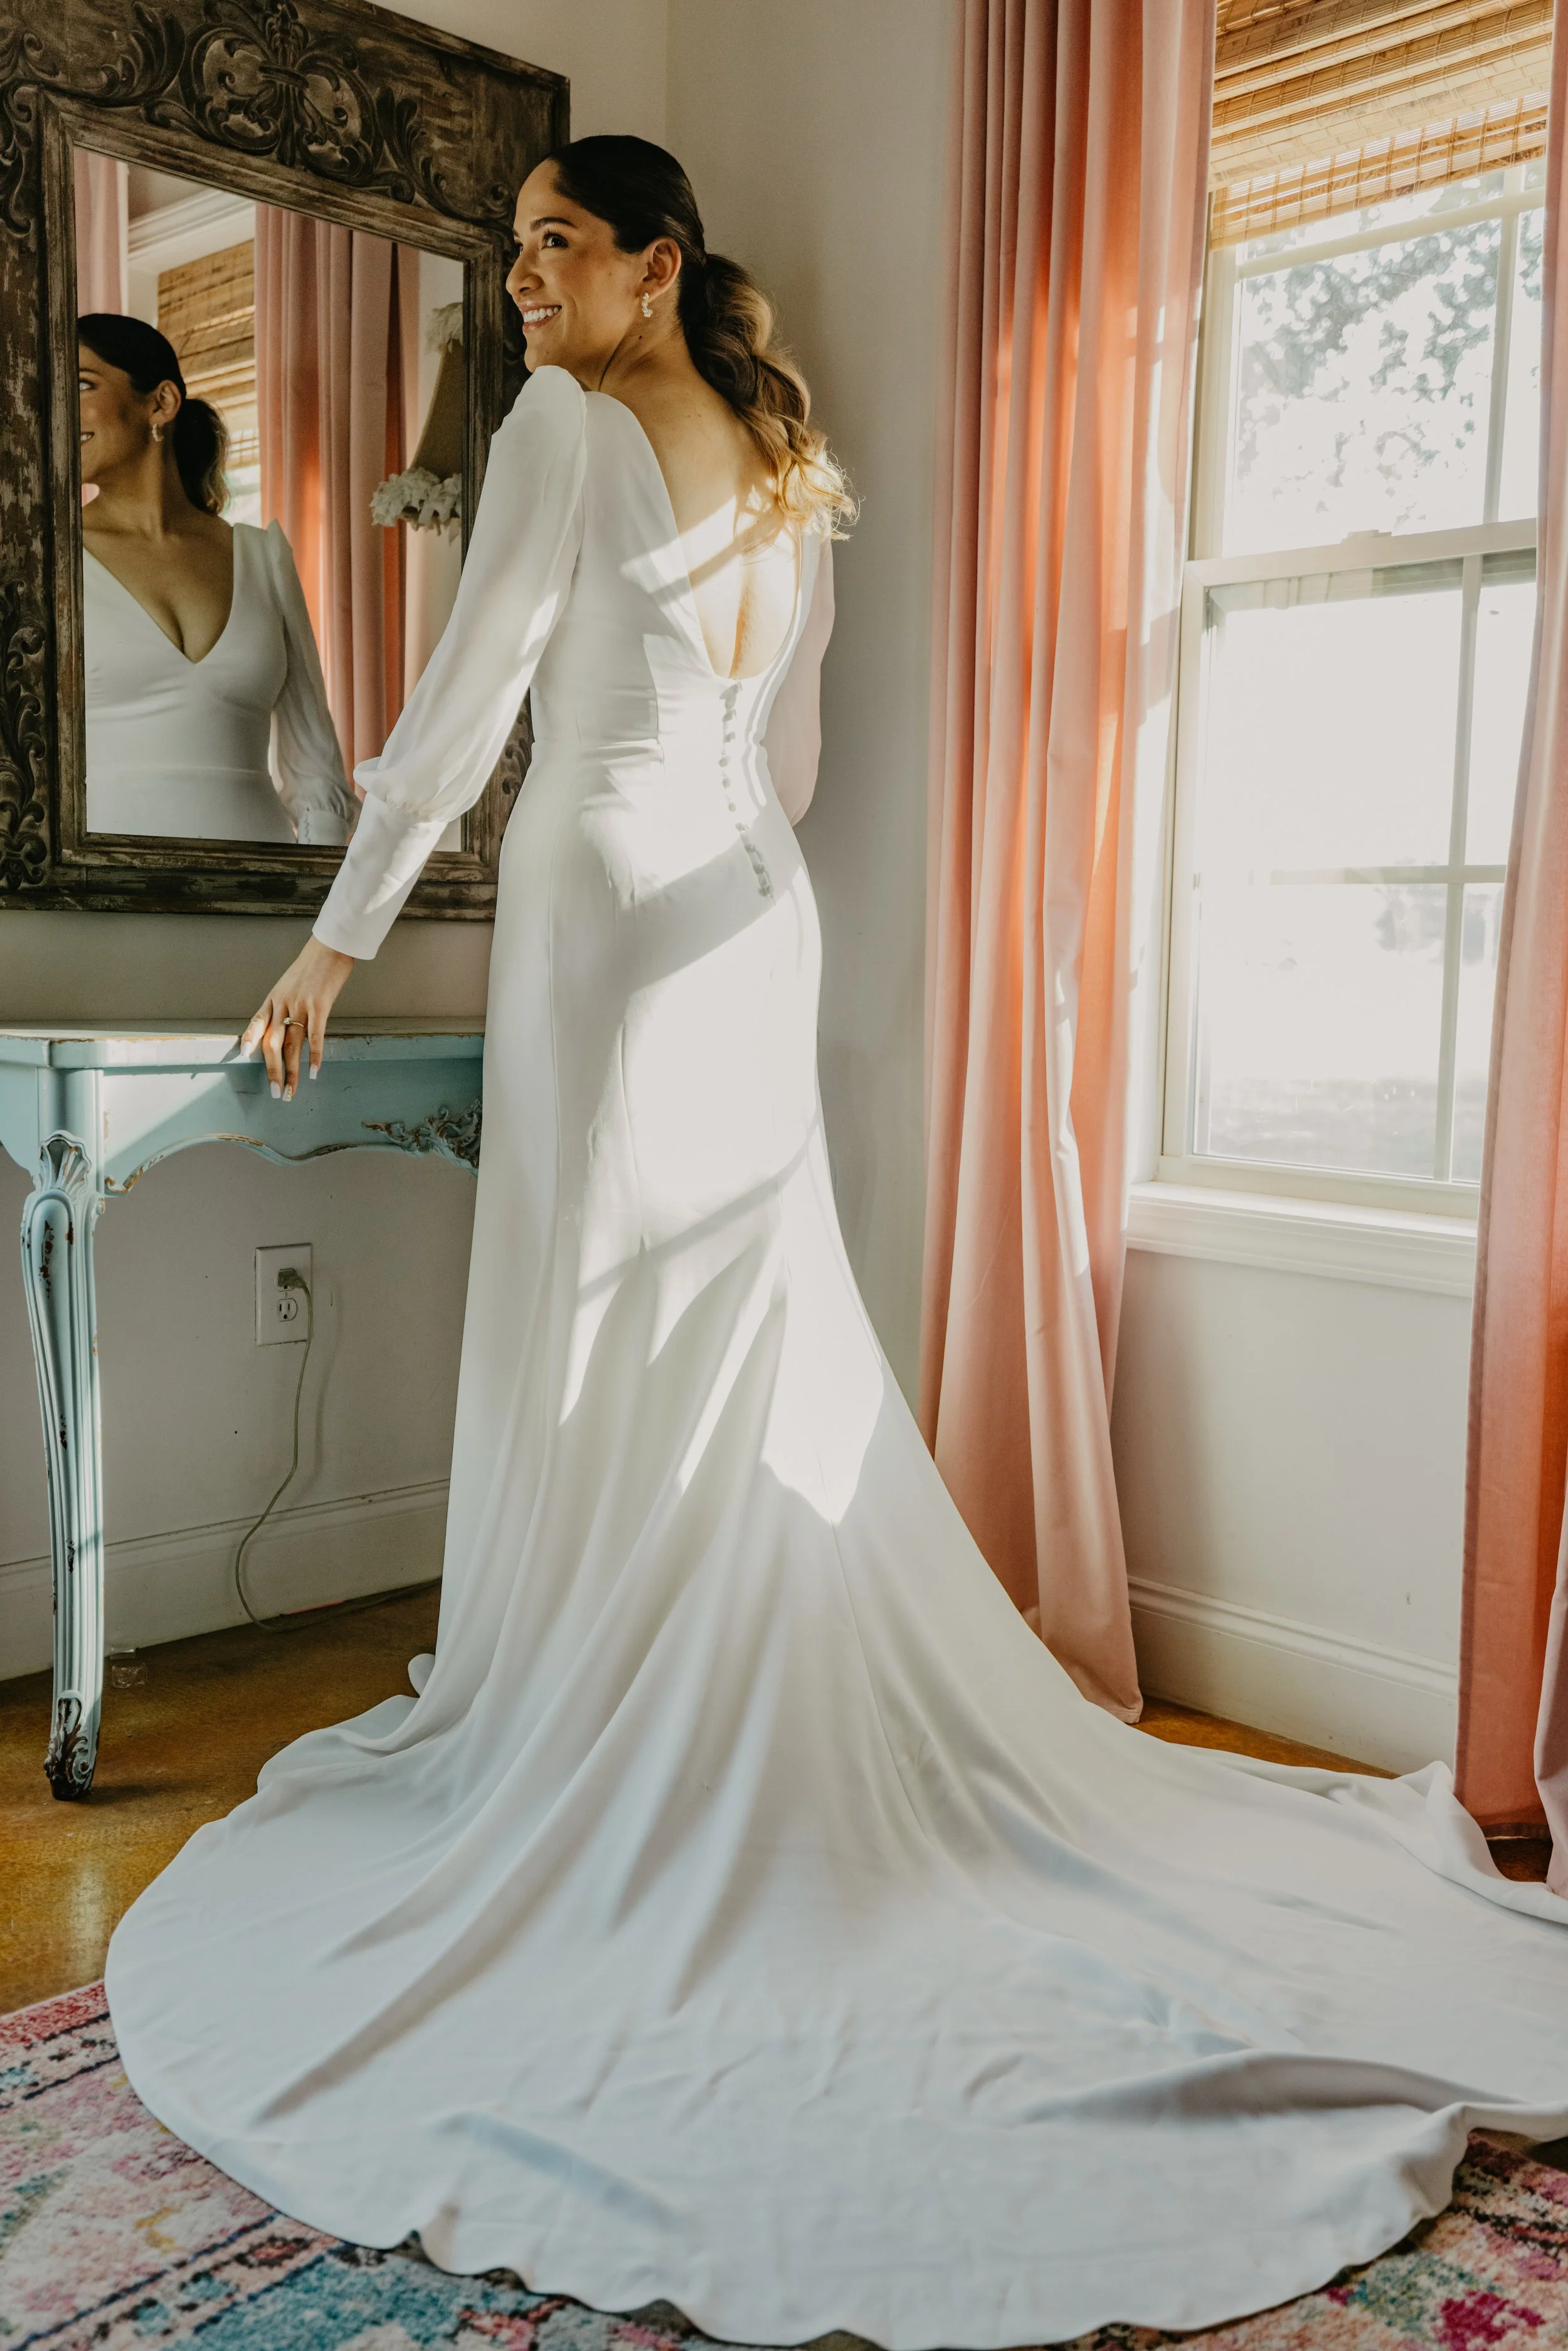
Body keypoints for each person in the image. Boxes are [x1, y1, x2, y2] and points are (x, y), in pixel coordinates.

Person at [105, 139, 1568, 2350]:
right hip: (739, 923)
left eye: (553, 248)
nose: (520, 285)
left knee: (615, 1329)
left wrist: (335, 938)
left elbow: (473, 706)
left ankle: (602, 1709)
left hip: (608, 922)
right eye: (511, 252)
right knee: (730, 1328)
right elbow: (783, 766)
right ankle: (688, 1680)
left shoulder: (571, 426)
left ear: (654, 265)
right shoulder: (782, 463)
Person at [78, 313, 353, 845]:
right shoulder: (41, 561)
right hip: (97, 901)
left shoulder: (263, 557)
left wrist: (317, 907)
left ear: (160, 403)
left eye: (82, 384)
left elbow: (316, 770)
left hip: (262, 892)